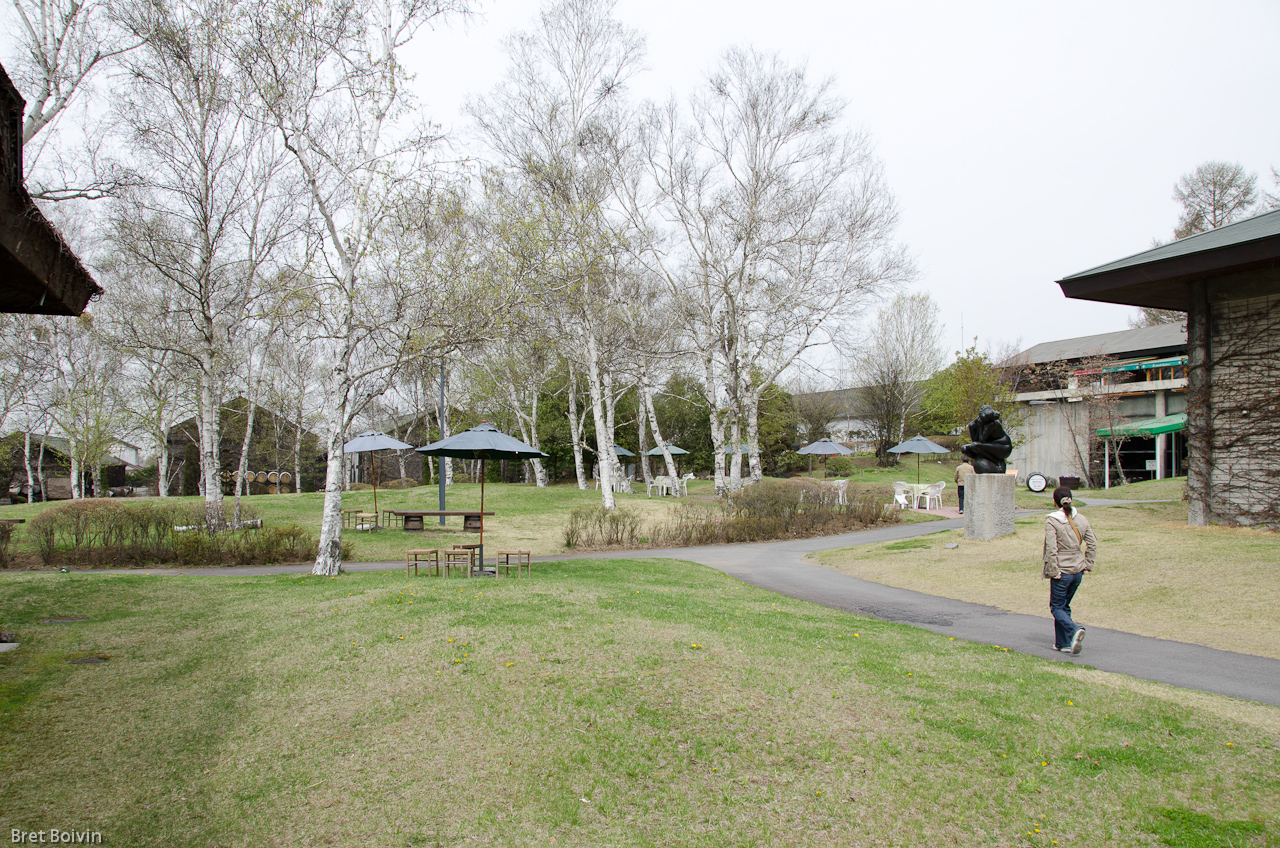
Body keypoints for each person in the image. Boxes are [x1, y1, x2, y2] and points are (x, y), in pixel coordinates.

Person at [1043, 485, 1096, 654]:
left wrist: (1053, 570)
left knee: (1056, 607)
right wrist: (1088, 565)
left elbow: (1051, 548)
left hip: (1062, 570)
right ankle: (1063, 643)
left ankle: (1074, 630)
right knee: (1064, 606)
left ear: (1054, 502)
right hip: (1078, 570)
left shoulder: (1052, 520)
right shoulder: (1081, 519)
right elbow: (1092, 543)